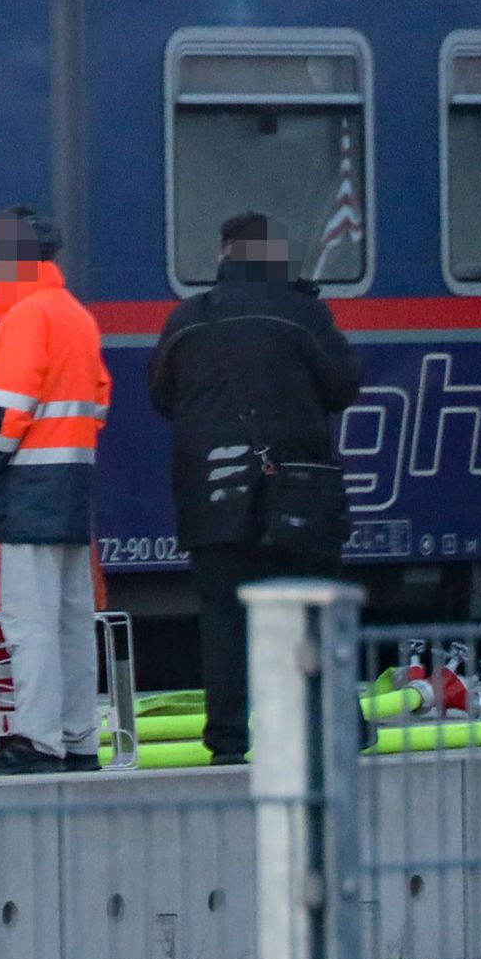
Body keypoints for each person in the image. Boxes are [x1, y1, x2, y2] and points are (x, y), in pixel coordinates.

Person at [154, 211, 362, 763]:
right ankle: (339, 727)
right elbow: (344, 387)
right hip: (295, 495)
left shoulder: (186, 318)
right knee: (316, 610)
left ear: (224, 254)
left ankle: (227, 741)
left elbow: (160, 396)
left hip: (211, 496)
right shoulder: (302, 313)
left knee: (223, 617)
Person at [0, 205, 111, 774]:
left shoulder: (25, 319)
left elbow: (7, 407)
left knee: (28, 620)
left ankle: (37, 739)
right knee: (73, 617)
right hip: (72, 480)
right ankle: (78, 740)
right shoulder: (74, 315)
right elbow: (98, 397)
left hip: (26, 483)